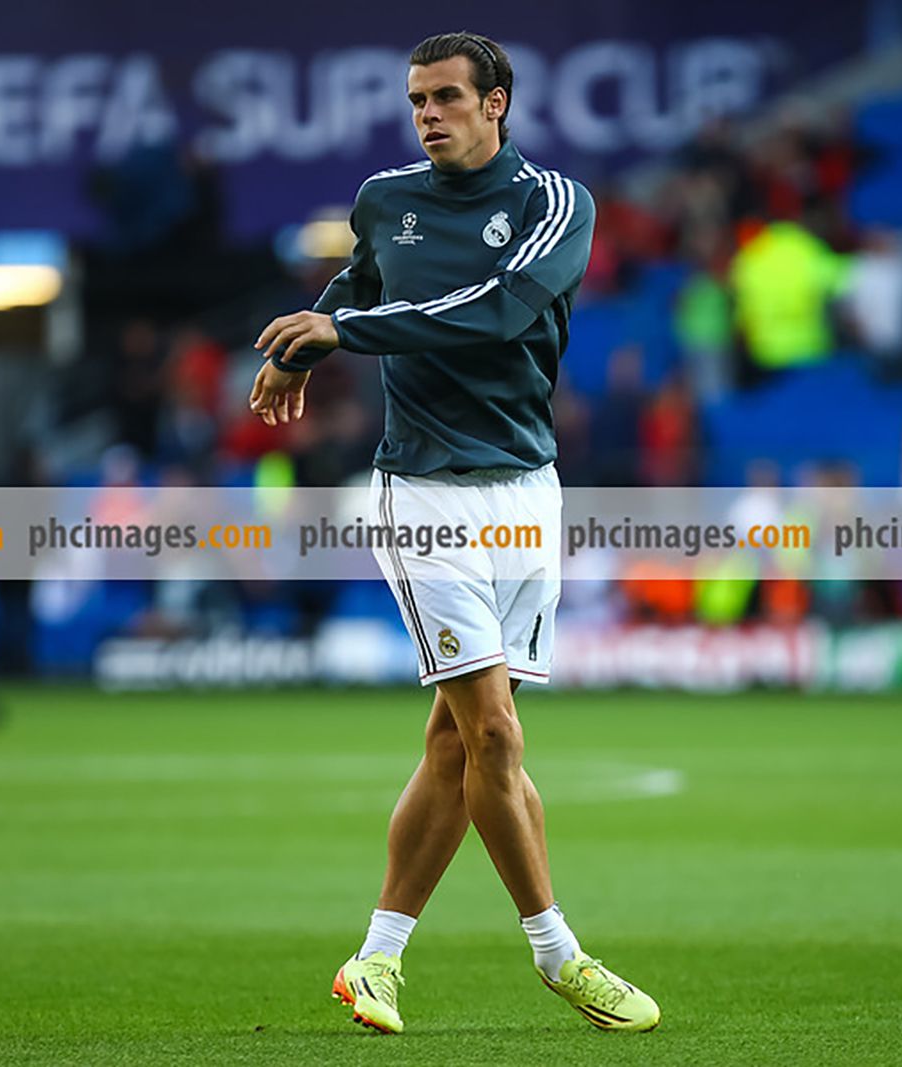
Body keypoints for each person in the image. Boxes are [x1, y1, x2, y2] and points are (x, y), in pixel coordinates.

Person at [247, 32, 658, 1034]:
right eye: (415, 100)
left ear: (496, 103)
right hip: (422, 492)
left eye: (444, 97)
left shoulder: (554, 205)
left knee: (451, 741)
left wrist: (345, 331)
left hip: (525, 494)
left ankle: (375, 960)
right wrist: (315, 333)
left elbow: (497, 311)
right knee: (491, 730)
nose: (426, 114)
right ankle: (560, 951)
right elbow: (362, 285)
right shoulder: (387, 200)